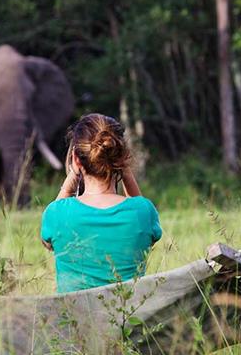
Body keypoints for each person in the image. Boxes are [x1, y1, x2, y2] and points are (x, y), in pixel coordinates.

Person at [40, 113, 162, 293]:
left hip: (75, 319)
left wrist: (69, 182)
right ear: (122, 157)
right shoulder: (143, 211)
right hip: (127, 319)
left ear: (76, 159)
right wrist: (126, 172)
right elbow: (139, 206)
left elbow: (47, 242)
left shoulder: (56, 213)